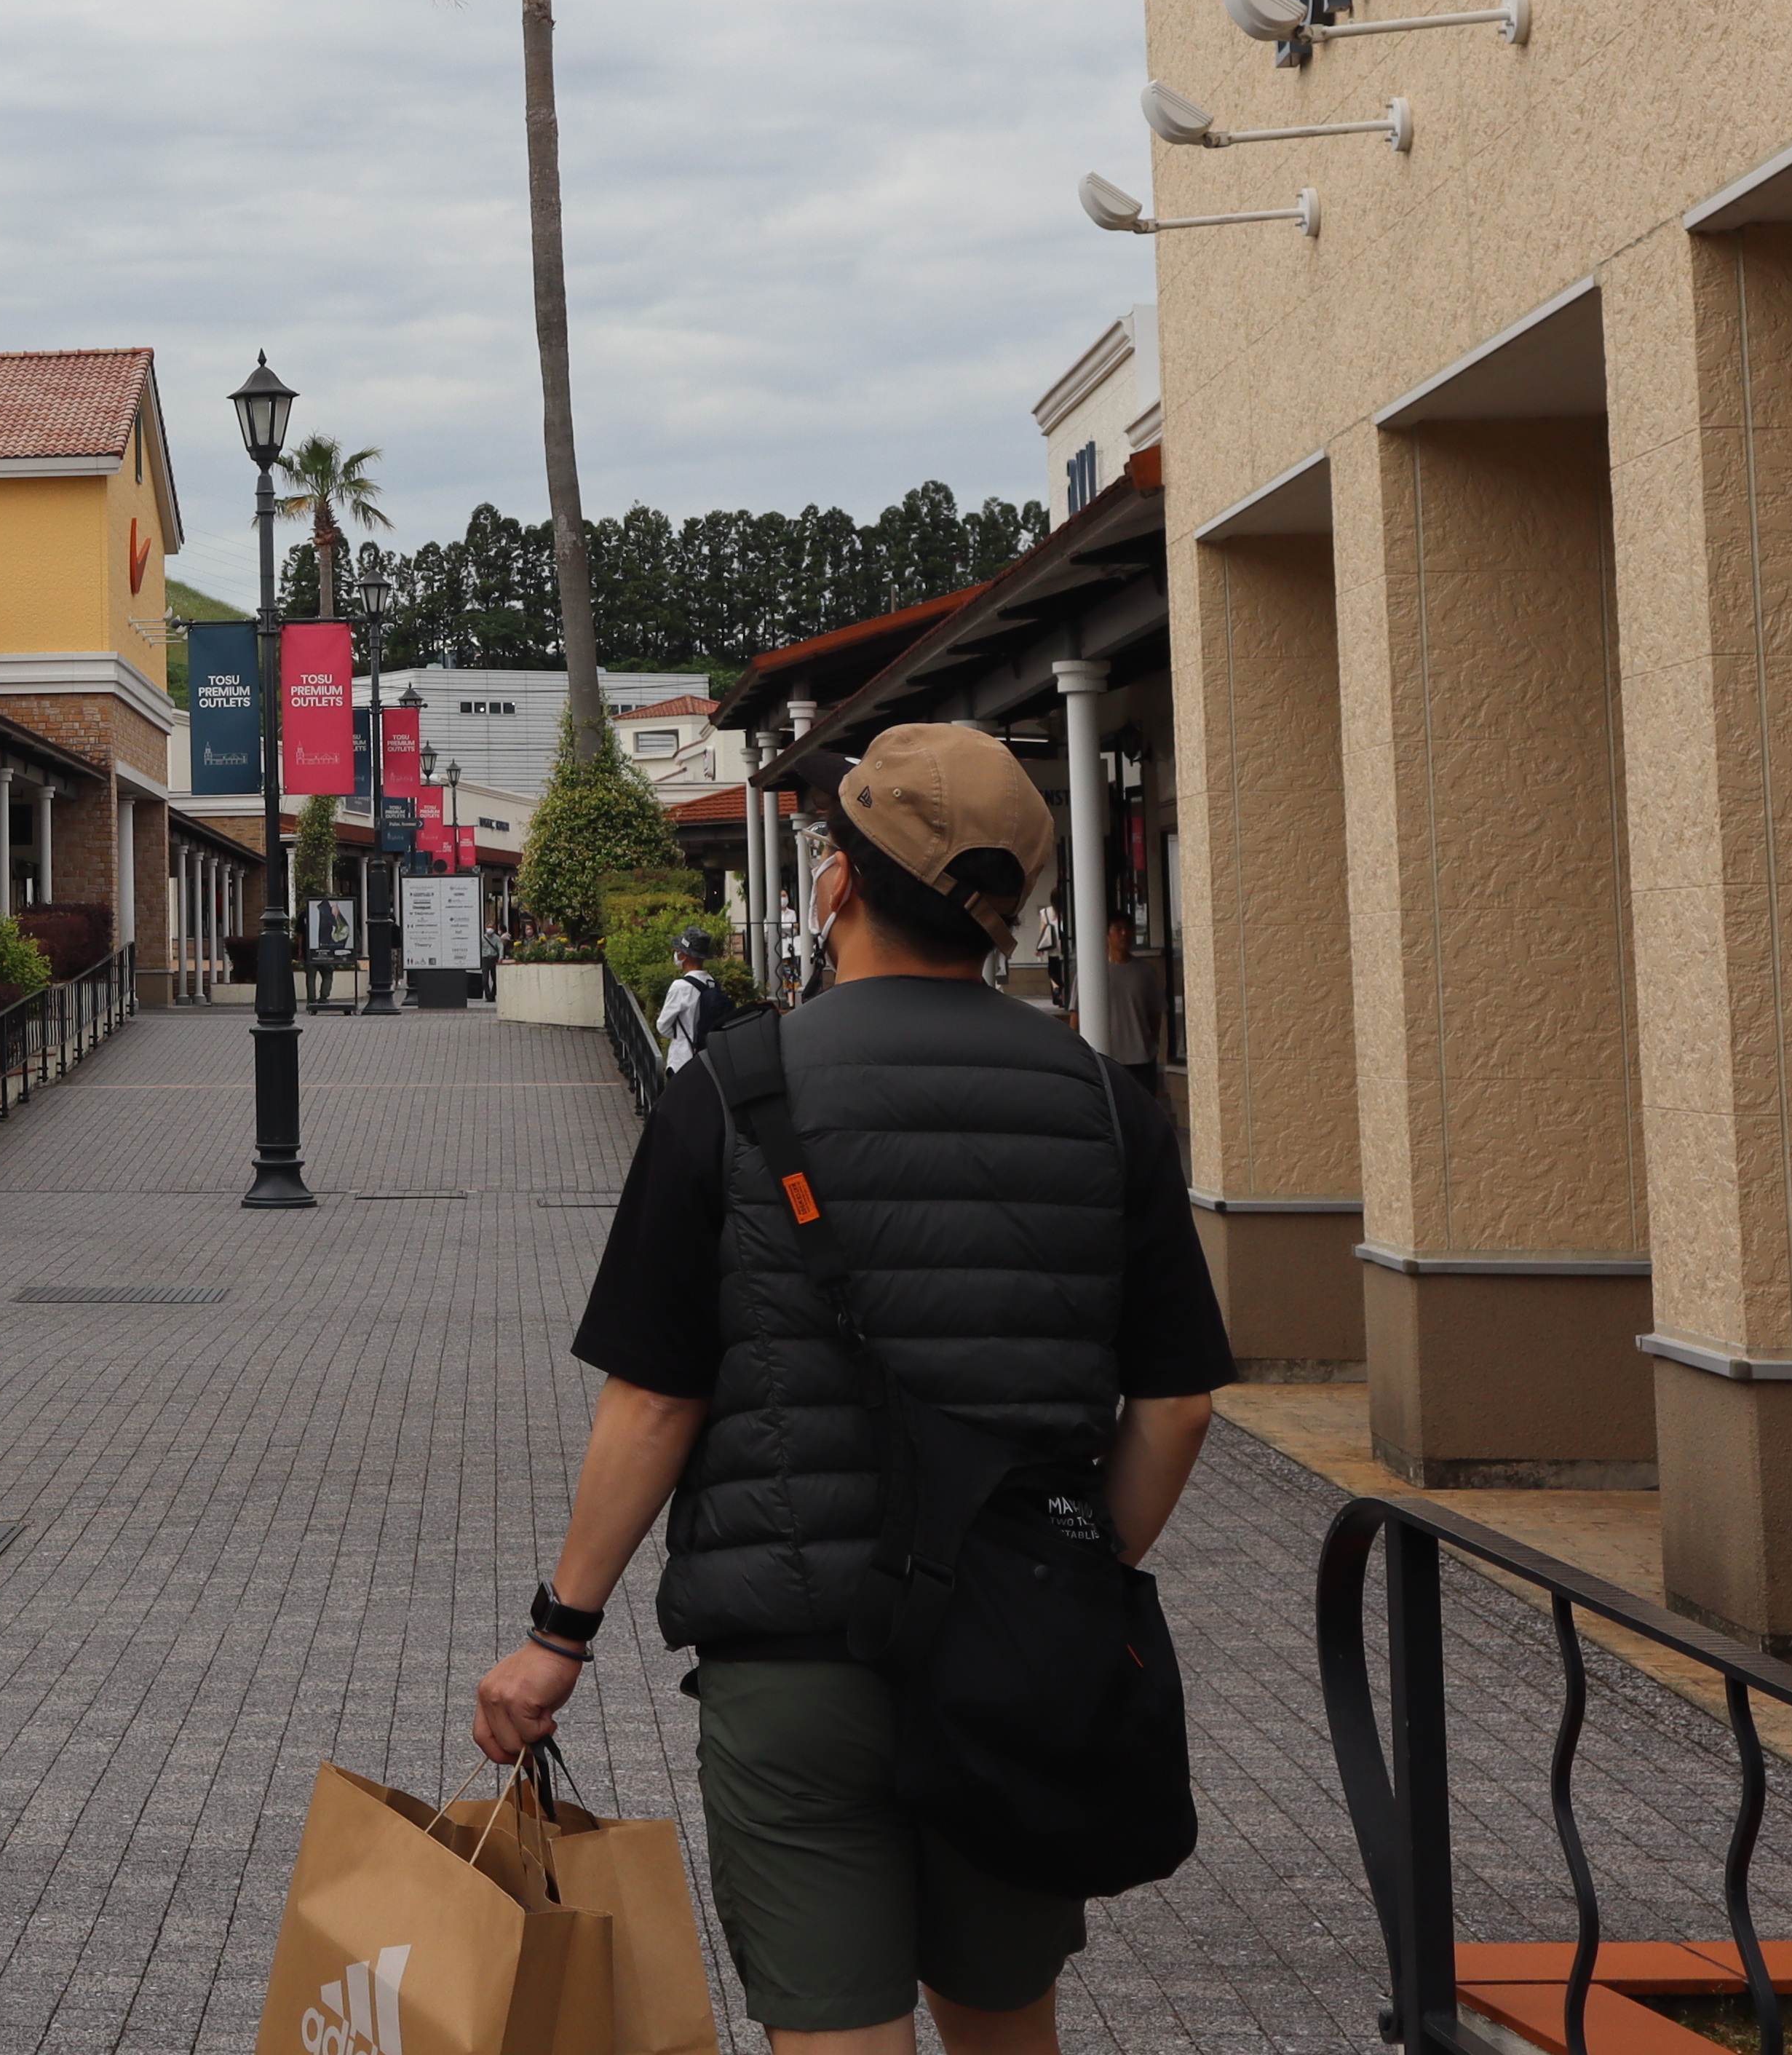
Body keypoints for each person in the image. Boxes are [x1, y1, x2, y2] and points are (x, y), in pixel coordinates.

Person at [470, 723, 1229, 2055]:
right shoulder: (1112, 1109)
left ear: (838, 882)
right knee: (1008, 2030)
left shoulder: (729, 1095)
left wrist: (559, 1635)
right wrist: (1079, 1570)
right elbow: (1177, 1406)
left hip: (796, 1664)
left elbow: (655, 1403)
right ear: (1009, 913)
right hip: (1017, 1659)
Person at [656, 927, 724, 1072]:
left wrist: (680, 1033)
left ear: (684, 956)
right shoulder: (712, 983)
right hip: (709, 1059)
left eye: (678, 951)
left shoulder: (680, 987)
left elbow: (662, 1026)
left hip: (683, 1059)